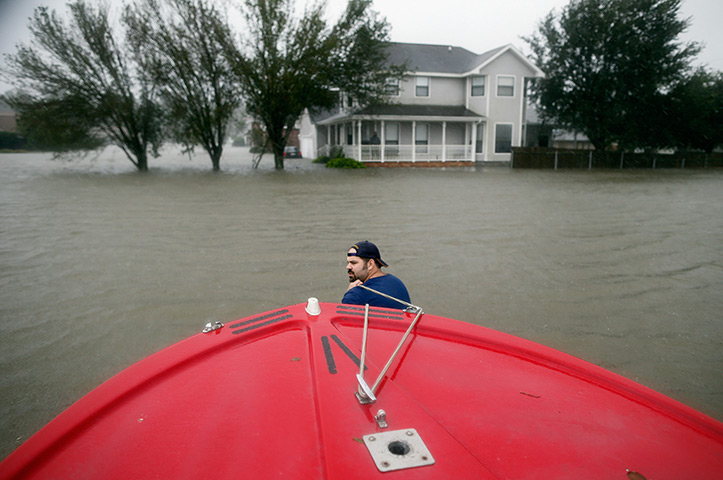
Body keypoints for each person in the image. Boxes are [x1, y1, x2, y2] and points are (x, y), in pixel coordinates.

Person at [342, 241, 410, 310]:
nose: (348, 267)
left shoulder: (356, 295)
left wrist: (349, 293)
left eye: (353, 263)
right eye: (348, 263)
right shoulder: (396, 282)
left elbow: (341, 317)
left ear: (370, 264)